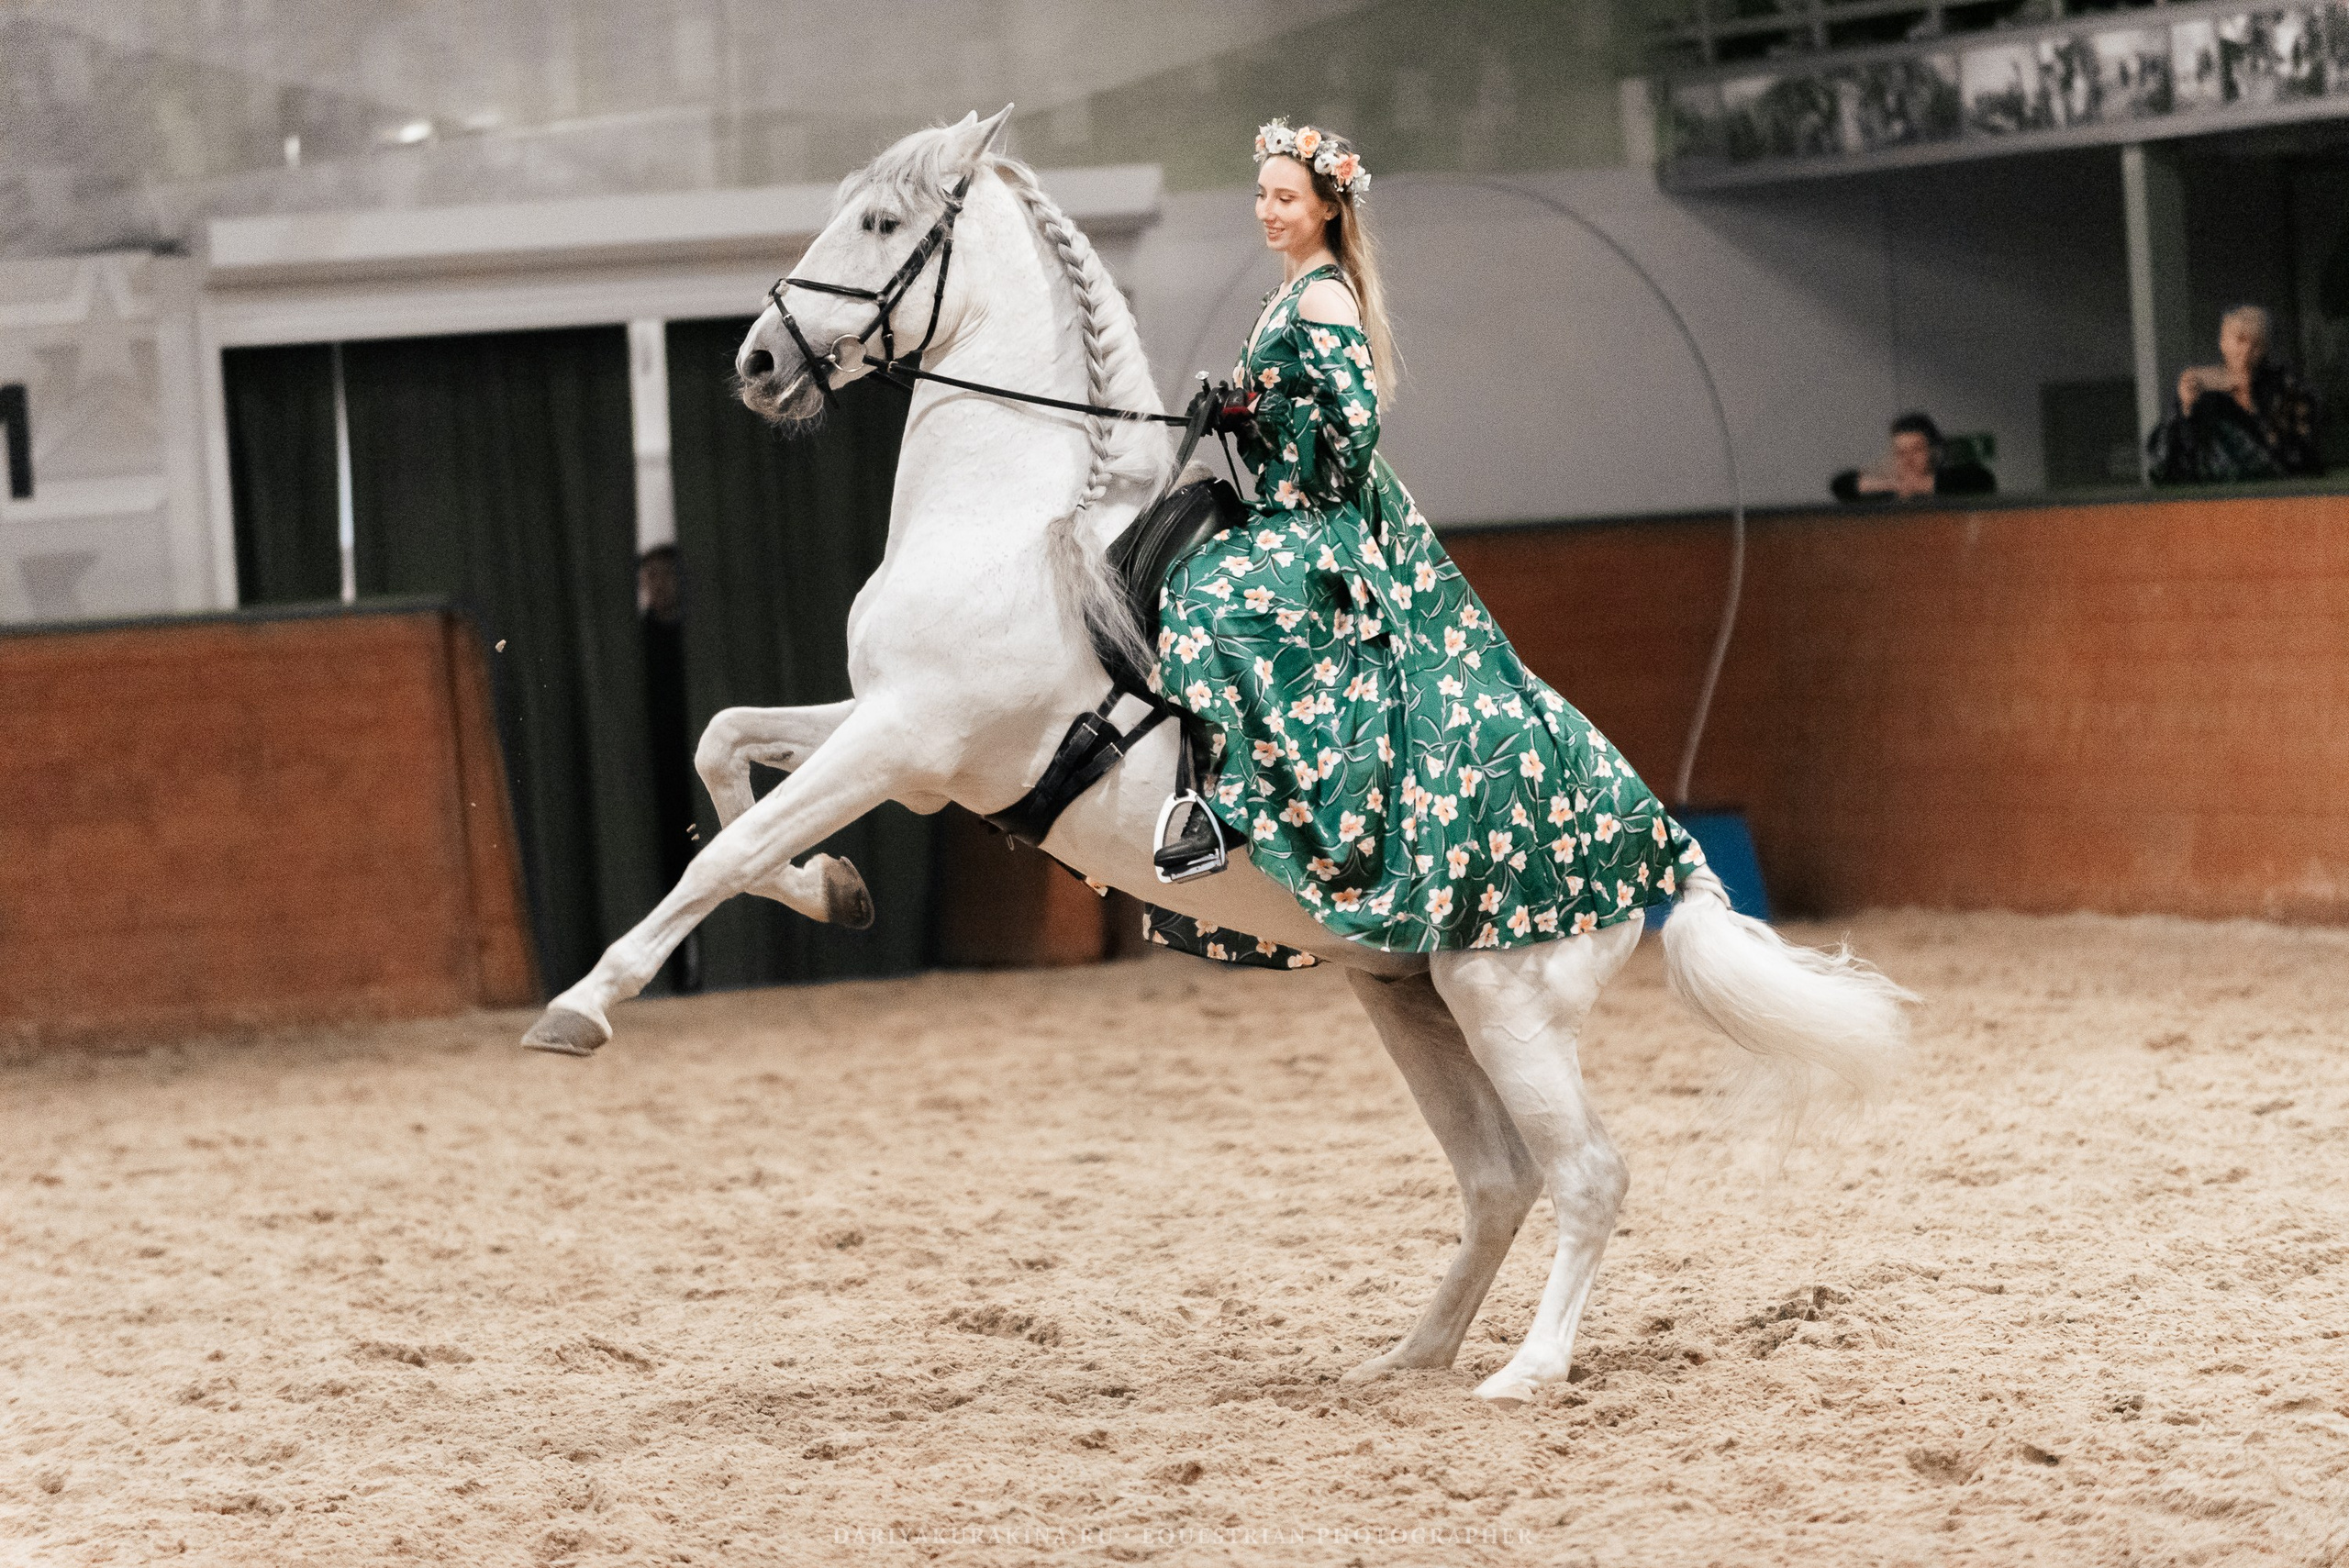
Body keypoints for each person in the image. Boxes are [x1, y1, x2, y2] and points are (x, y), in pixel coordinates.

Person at [1144, 120, 1704, 967]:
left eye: (1285, 198)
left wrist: (1269, 423)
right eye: (1261, 195)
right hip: (1296, 503)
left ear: (1328, 209)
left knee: (1209, 596)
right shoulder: (1288, 293)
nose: (1267, 210)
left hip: (1322, 514)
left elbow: (1357, 422)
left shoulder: (1325, 295)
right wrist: (1240, 411)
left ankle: (1240, 805)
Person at [2147, 305, 2323, 484]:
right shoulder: (2204, 383)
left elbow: (2293, 438)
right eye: (2240, 340)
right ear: (2223, 343)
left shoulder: (2282, 382)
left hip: (2272, 463)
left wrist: (2244, 394)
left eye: (2257, 344)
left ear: (2265, 349)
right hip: (2210, 465)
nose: (2246, 350)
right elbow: (2178, 436)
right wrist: (2187, 406)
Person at [639, 545, 701, 993]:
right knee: (672, 870)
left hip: (701, 765)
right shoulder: (638, 642)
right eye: (649, 578)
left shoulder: (703, 636)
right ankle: (678, 976)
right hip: (663, 777)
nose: (658, 586)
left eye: (666, 575)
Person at [1830, 411, 1996, 502]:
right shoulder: (1889, 491)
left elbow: (1982, 480)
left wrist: (1919, 485)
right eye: (1900, 453)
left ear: (1933, 451)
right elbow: (1841, 485)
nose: (1908, 459)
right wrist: (1892, 485)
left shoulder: (1954, 481)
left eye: (1916, 450)